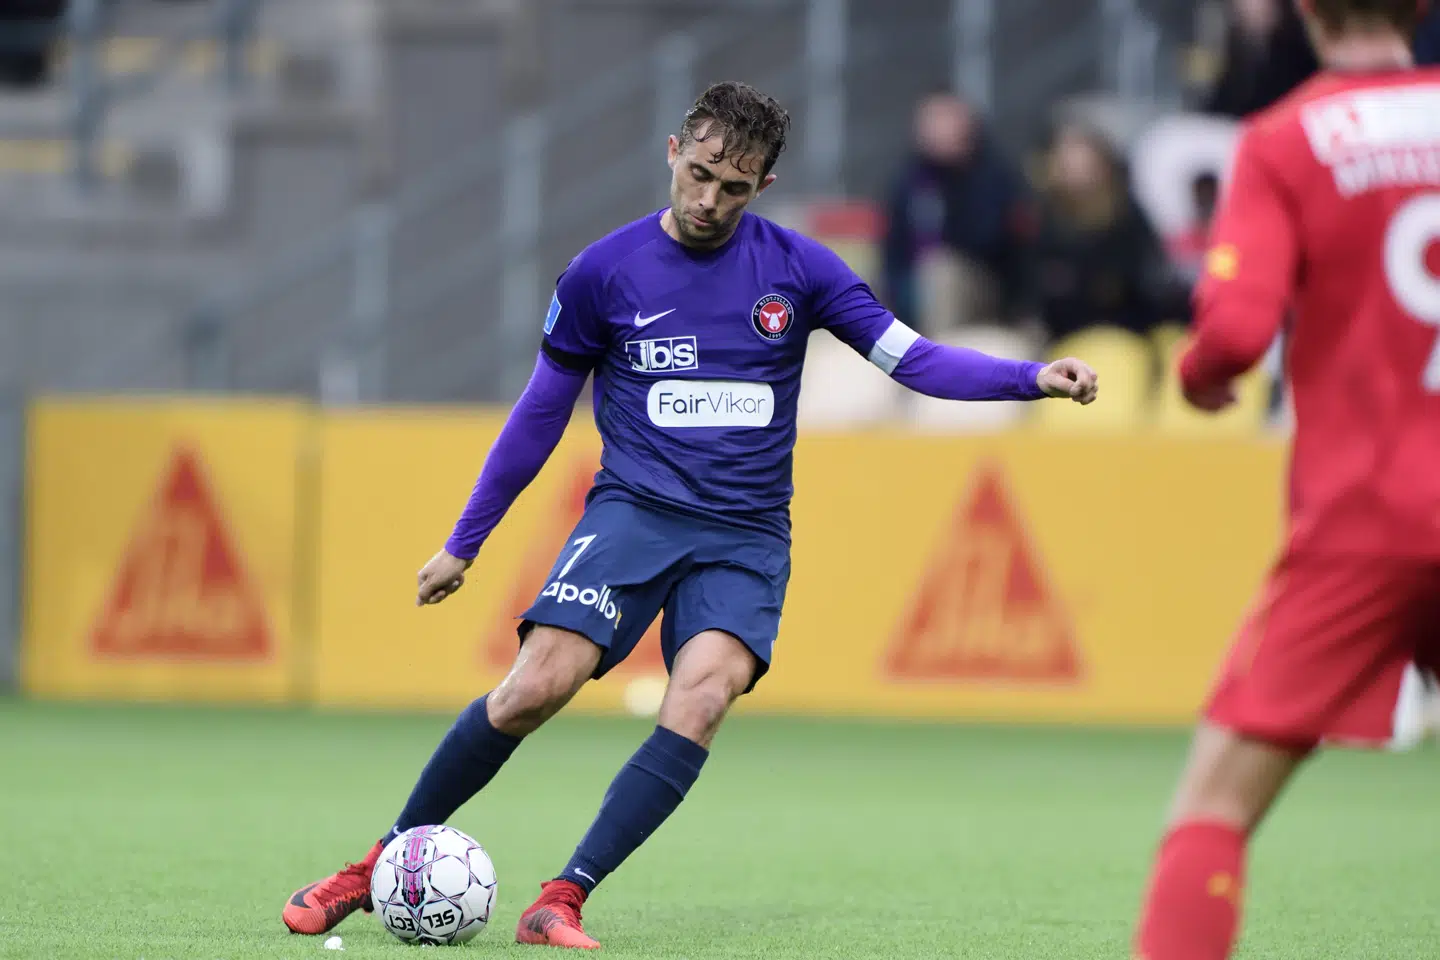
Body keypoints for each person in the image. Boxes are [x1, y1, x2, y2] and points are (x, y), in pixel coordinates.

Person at [281, 81, 1099, 949]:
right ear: (675, 152)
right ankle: (373, 867)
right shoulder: (604, 272)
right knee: (532, 690)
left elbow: (913, 359)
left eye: (734, 188)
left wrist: (1029, 378)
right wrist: (464, 542)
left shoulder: (801, 270)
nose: (709, 200)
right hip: (634, 515)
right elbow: (538, 416)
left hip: (745, 538)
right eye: (701, 173)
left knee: (701, 700)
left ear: (763, 190)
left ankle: (563, 897)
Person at [1133, 2, 1440, 958]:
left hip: (1369, 520)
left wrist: (1200, 376)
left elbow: (1231, 334)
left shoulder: (1285, 139)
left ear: (1305, 8)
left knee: (1214, 807)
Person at [881, 90, 1038, 335]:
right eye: (931, 121)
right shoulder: (909, 179)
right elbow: (893, 248)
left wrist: (954, 184)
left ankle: (936, 365)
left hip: (983, 287)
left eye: (947, 120)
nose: (939, 130)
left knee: (941, 274)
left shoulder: (993, 175)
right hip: (915, 286)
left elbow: (991, 243)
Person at [1033, 123, 1170, 343]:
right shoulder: (1045, 215)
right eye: (1068, 164)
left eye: (1083, 163)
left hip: (1123, 328)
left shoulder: (1124, 213)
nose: (1076, 172)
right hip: (1061, 331)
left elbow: (1141, 278)